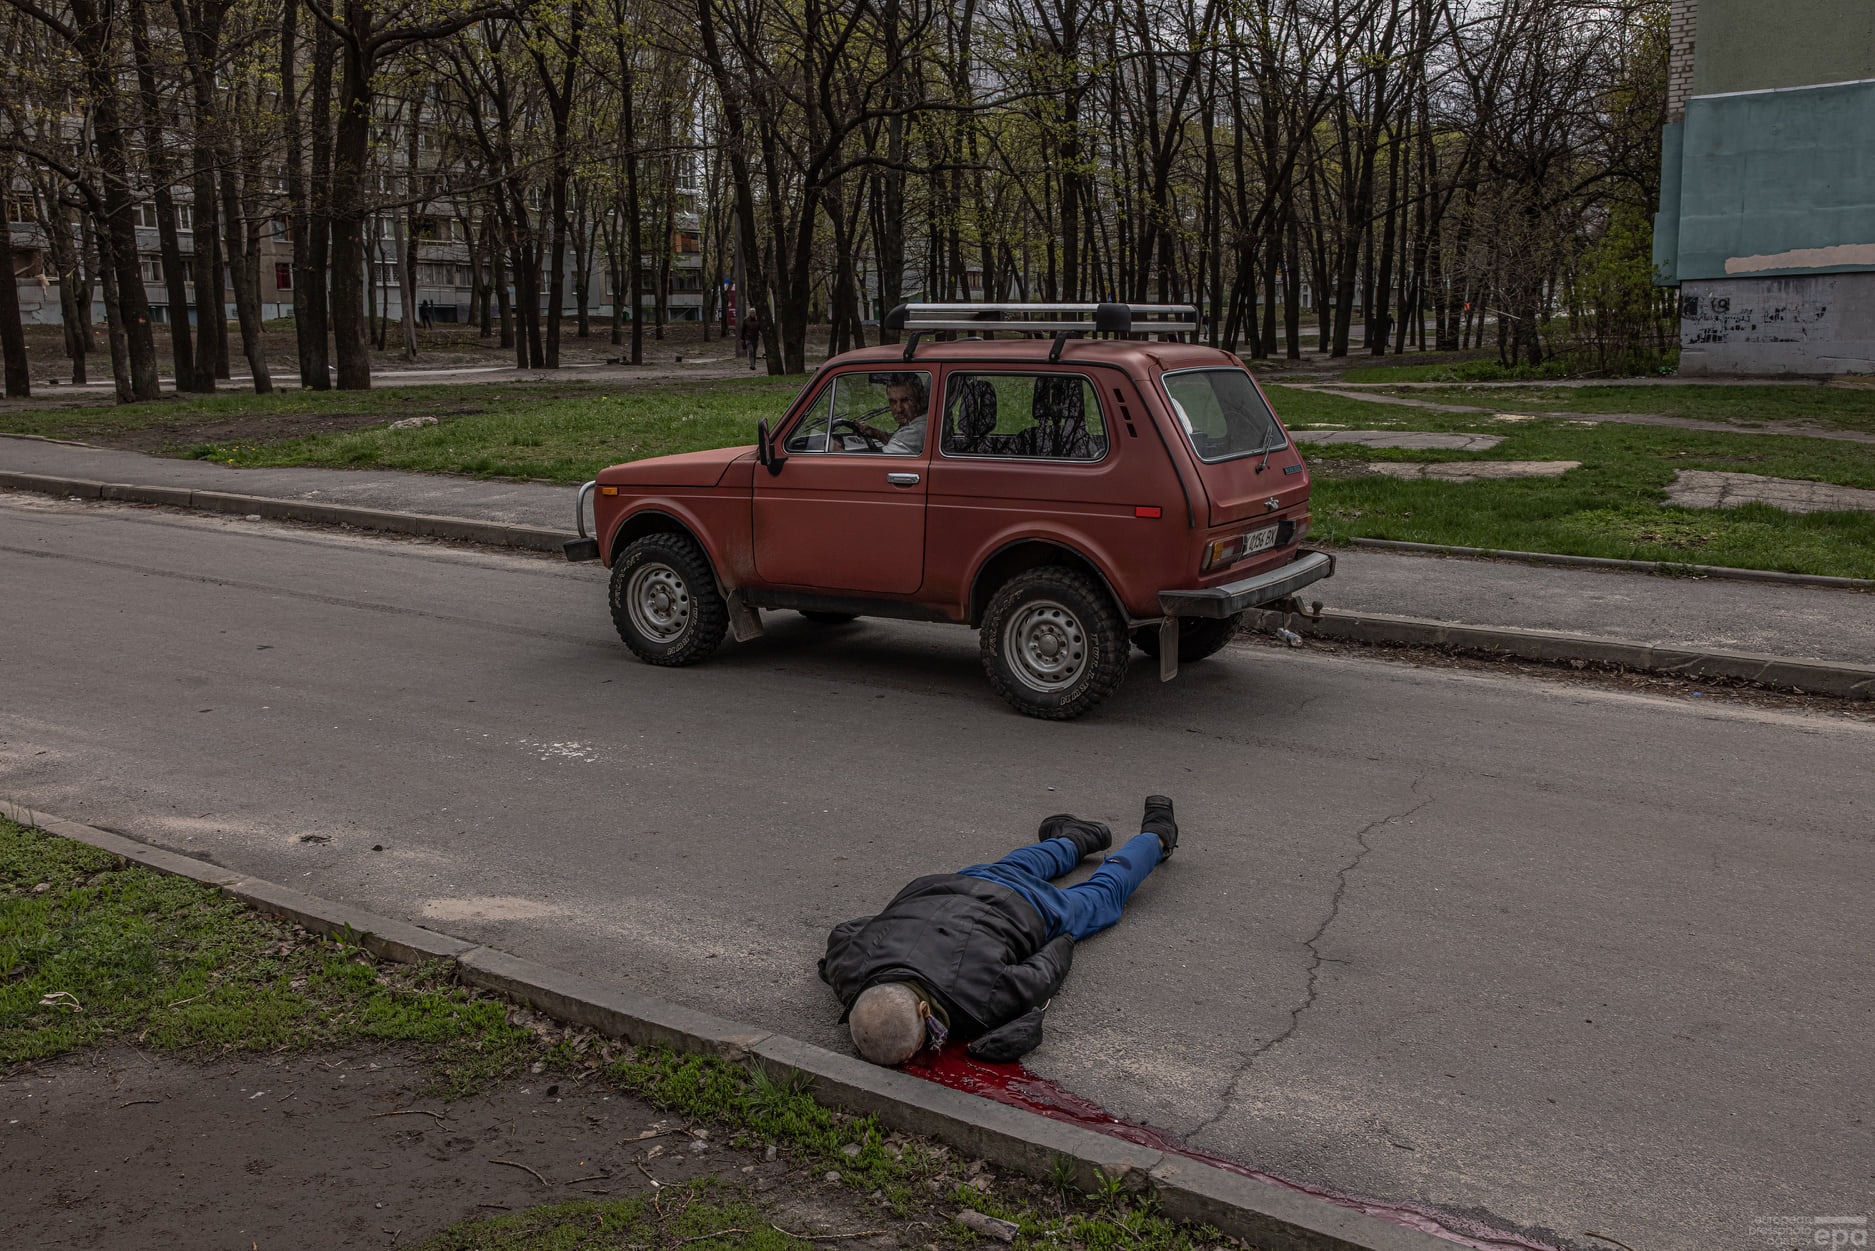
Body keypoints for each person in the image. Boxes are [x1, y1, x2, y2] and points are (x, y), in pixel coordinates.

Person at [819, 797, 1179, 1066]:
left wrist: (1065, 935)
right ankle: (1075, 838)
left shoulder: (978, 1005)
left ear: (925, 1010)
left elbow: (1043, 972)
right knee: (1013, 866)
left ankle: (1157, 836)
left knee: (1103, 897)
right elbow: (845, 931)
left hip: (1027, 909)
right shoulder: (849, 971)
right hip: (948, 885)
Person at [836, 374, 927, 455]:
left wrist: (838, 452)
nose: (899, 409)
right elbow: (901, 441)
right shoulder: (917, 422)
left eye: (905, 400)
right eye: (893, 402)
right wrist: (875, 433)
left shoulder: (918, 429)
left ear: (920, 400)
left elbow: (879, 466)